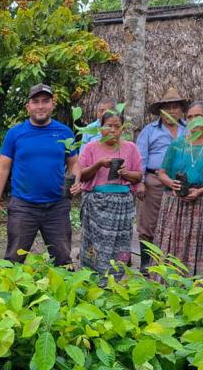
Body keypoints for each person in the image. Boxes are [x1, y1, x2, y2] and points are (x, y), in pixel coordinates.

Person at [0, 83, 81, 266]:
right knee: (14, 259)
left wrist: (76, 180)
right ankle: (12, 292)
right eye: (35, 102)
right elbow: (3, 168)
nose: (40, 106)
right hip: (23, 206)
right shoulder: (15, 134)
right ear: (28, 106)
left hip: (57, 206)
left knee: (62, 260)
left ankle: (63, 294)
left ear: (52, 104)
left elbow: (74, 164)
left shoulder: (64, 132)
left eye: (45, 101)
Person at [154, 101, 203, 281]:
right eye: (190, 117)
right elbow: (162, 173)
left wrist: (201, 191)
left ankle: (201, 287)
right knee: (173, 246)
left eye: (199, 116)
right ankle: (169, 287)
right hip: (175, 204)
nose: (194, 120)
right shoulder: (177, 144)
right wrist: (172, 184)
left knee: (202, 247)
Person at [78, 111, 142, 281]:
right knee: (95, 242)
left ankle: (114, 281)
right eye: (108, 126)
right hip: (97, 204)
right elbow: (81, 175)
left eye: (117, 126)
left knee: (119, 243)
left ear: (122, 129)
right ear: (100, 128)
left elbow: (139, 176)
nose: (113, 130)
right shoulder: (91, 147)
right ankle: (92, 280)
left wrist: (126, 173)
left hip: (122, 205)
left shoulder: (130, 147)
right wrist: (98, 164)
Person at [135, 87, 188, 270]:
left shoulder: (189, 129)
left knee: (178, 220)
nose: (171, 111)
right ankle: (146, 264)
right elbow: (140, 156)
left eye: (175, 107)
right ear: (160, 111)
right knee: (149, 221)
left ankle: (173, 262)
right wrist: (140, 182)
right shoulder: (149, 131)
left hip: (181, 181)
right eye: (167, 108)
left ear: (182, 110)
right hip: (154, 181)